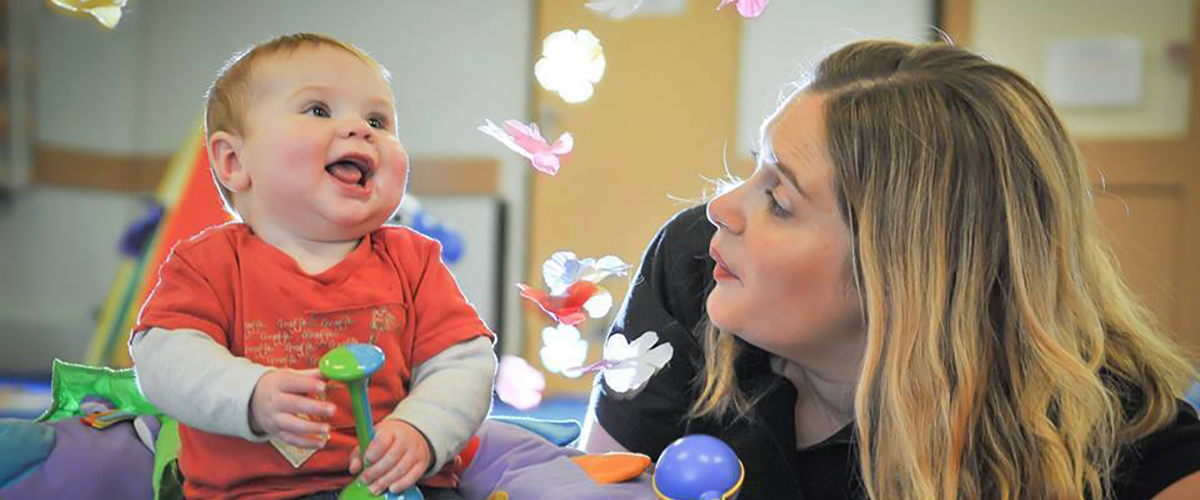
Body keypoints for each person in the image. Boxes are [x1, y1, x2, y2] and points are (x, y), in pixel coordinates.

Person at [581, 39, 1200, 500]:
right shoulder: (698, 263)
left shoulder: (1108, 432)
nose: (722, 208)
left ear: (901, 276)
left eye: (780, 200)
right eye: (755, 167)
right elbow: (596, 483)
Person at [130, 33, 496, 500]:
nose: (360, 129)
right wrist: (250, 393)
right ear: (234, 161)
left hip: (395, 486)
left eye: (378, 120)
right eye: (319, 110)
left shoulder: (414, 261)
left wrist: (422, 429)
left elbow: (464, 363)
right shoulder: (208, 264)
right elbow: (164, 359)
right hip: (253, 493)